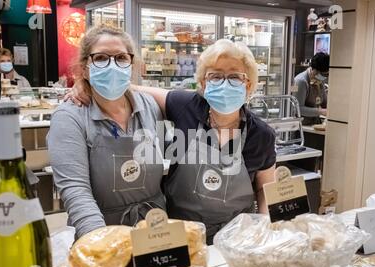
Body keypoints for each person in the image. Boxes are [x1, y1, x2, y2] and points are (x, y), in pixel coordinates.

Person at [69, 39, 276, 244]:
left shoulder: (261, 134)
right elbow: (127, 88)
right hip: (183, 234)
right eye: (215, 76)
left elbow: (265, 188)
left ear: (248, 84)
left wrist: (267, 225)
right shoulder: (185, 106)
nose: (224, 82)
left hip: (237, 236)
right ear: (203, 83)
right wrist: (86, 83)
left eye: (234, 76)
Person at [47, 26, 166, 239]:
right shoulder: (70, 116)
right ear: (84, 68)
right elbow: (76, 191)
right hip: (101, 231)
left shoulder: (149, 107)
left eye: (121, 57)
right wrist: (103, 244)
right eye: (101, 58)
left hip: (154, 231)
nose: (112, 65)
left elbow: (193, 102)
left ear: (131, 65)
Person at [293, 52, 329, 125]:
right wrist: (320, 111)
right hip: (302, 126)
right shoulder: (300, 81)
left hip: (314, 123)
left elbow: (324, 102)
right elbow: (297, 108)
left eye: (326, 74)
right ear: (313, 69)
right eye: (322, 74)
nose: (324, 77)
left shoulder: (319, 80)